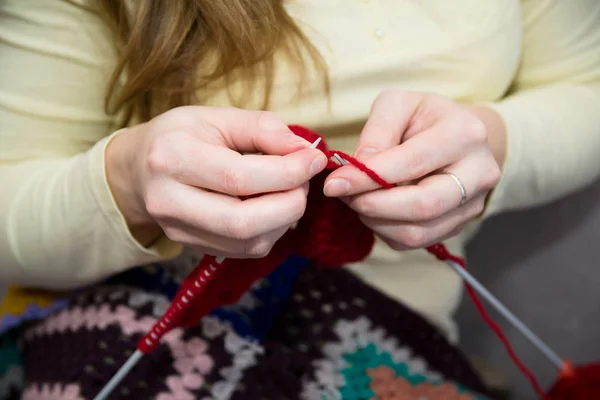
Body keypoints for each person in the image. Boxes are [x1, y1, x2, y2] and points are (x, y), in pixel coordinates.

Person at [0, 0, 599, 399]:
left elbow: (586, 84)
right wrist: (126, 181)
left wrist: (495, 142)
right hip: (136, 317)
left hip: (400, 347)